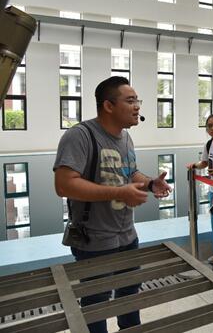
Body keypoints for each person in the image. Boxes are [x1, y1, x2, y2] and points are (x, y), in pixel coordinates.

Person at [54, 76, 172, 333]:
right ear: (108, 106)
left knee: (130, 293)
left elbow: (129, 173)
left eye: (137, 100)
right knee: (96, 301)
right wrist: (119, 192)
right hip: (95, 239)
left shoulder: (126, 138)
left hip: (127, 235)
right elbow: (64, 185)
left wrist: (150, 183)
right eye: (130, 101)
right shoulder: (80, 136)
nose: (137, 106)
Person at [186, 114, 213, 273]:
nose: (212, 128)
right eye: (209, 126)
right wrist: (194, 165)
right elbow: (204, 162)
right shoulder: (209, 144)